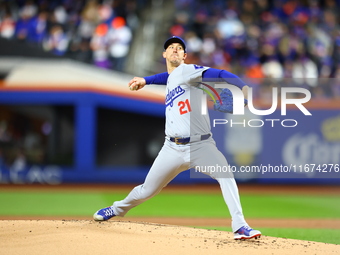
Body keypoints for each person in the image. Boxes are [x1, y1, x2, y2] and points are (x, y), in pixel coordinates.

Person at [93, 36, 261, 240]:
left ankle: (240, 225)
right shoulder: (175, 76)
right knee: (147, 190)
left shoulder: (188, 70)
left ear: (184, 56)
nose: (175, 49)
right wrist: (146, 80)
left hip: (201, 146)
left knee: (226, 177)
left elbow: (222, 73)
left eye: (179, 48)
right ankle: (117, 209)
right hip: (171, 148)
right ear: (164, 54)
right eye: (171, 47)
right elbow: (169, 76)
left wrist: (242, 89)